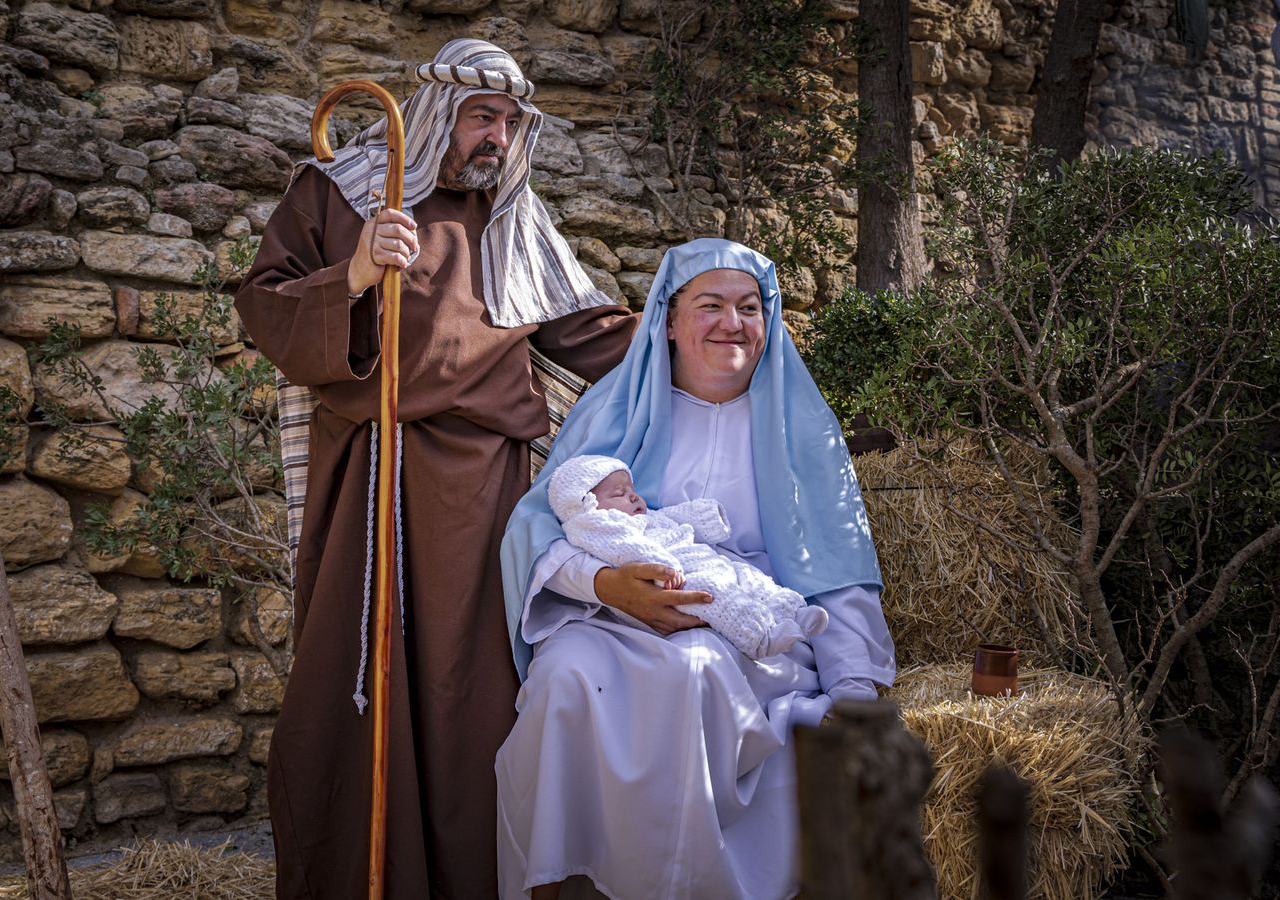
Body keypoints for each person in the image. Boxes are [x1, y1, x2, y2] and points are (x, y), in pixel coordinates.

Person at [235, 38, 638, 899]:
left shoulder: (515, 216)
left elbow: (586, 331)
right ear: (434, 114)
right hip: (374, 476)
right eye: (482, 116)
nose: (498, 137)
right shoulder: (342, 190)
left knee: (478, 697)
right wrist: (353, 271)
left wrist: (697, 335)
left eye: (510, 121)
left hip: (490, 491)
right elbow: (264, 305)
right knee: (349, 689)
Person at [497, 238, 896, 900]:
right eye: (710, 305)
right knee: (564, 678)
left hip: (747, 627)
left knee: (694, 673)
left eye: (749, 307)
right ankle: (559, 886)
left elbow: (836, 563)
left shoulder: (805, 431)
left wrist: (854, 688)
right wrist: (608, 585)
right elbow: (541, 528)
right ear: (668, 321)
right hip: (613, 617)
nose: (731, 323)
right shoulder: (614, 410)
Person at [546, 454, 829, 660]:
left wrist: (708, 517)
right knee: (715, 597)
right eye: (620, 493)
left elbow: (676, 517)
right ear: (587, 504)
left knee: (750, 576)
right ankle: (760, 638)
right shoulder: (596, 525)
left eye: (632, 490)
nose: (633, 497)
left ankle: (791, 611)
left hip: (707, 562)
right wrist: (665, 568)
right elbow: (626, 549)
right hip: (676, 580)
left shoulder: (646, 517)